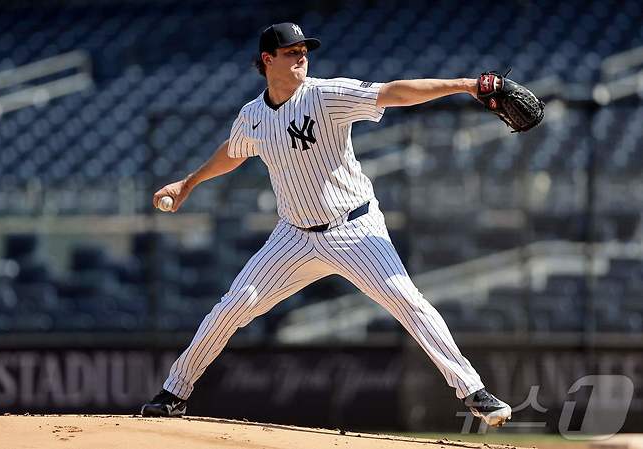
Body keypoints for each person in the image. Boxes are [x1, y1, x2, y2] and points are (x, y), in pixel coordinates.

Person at [141, 22, 511, 427]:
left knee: (408, 304)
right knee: (231, 308)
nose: (302, 56)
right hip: (294, 237)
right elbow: (234, 150)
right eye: (292, 51)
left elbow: (394, 92)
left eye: (304, 50)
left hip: (353, 229)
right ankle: (174, 392)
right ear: (268, 60)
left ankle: (473, 391)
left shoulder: (325, 95)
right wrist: (189, 183)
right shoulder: (252, 115)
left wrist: (465, 85)